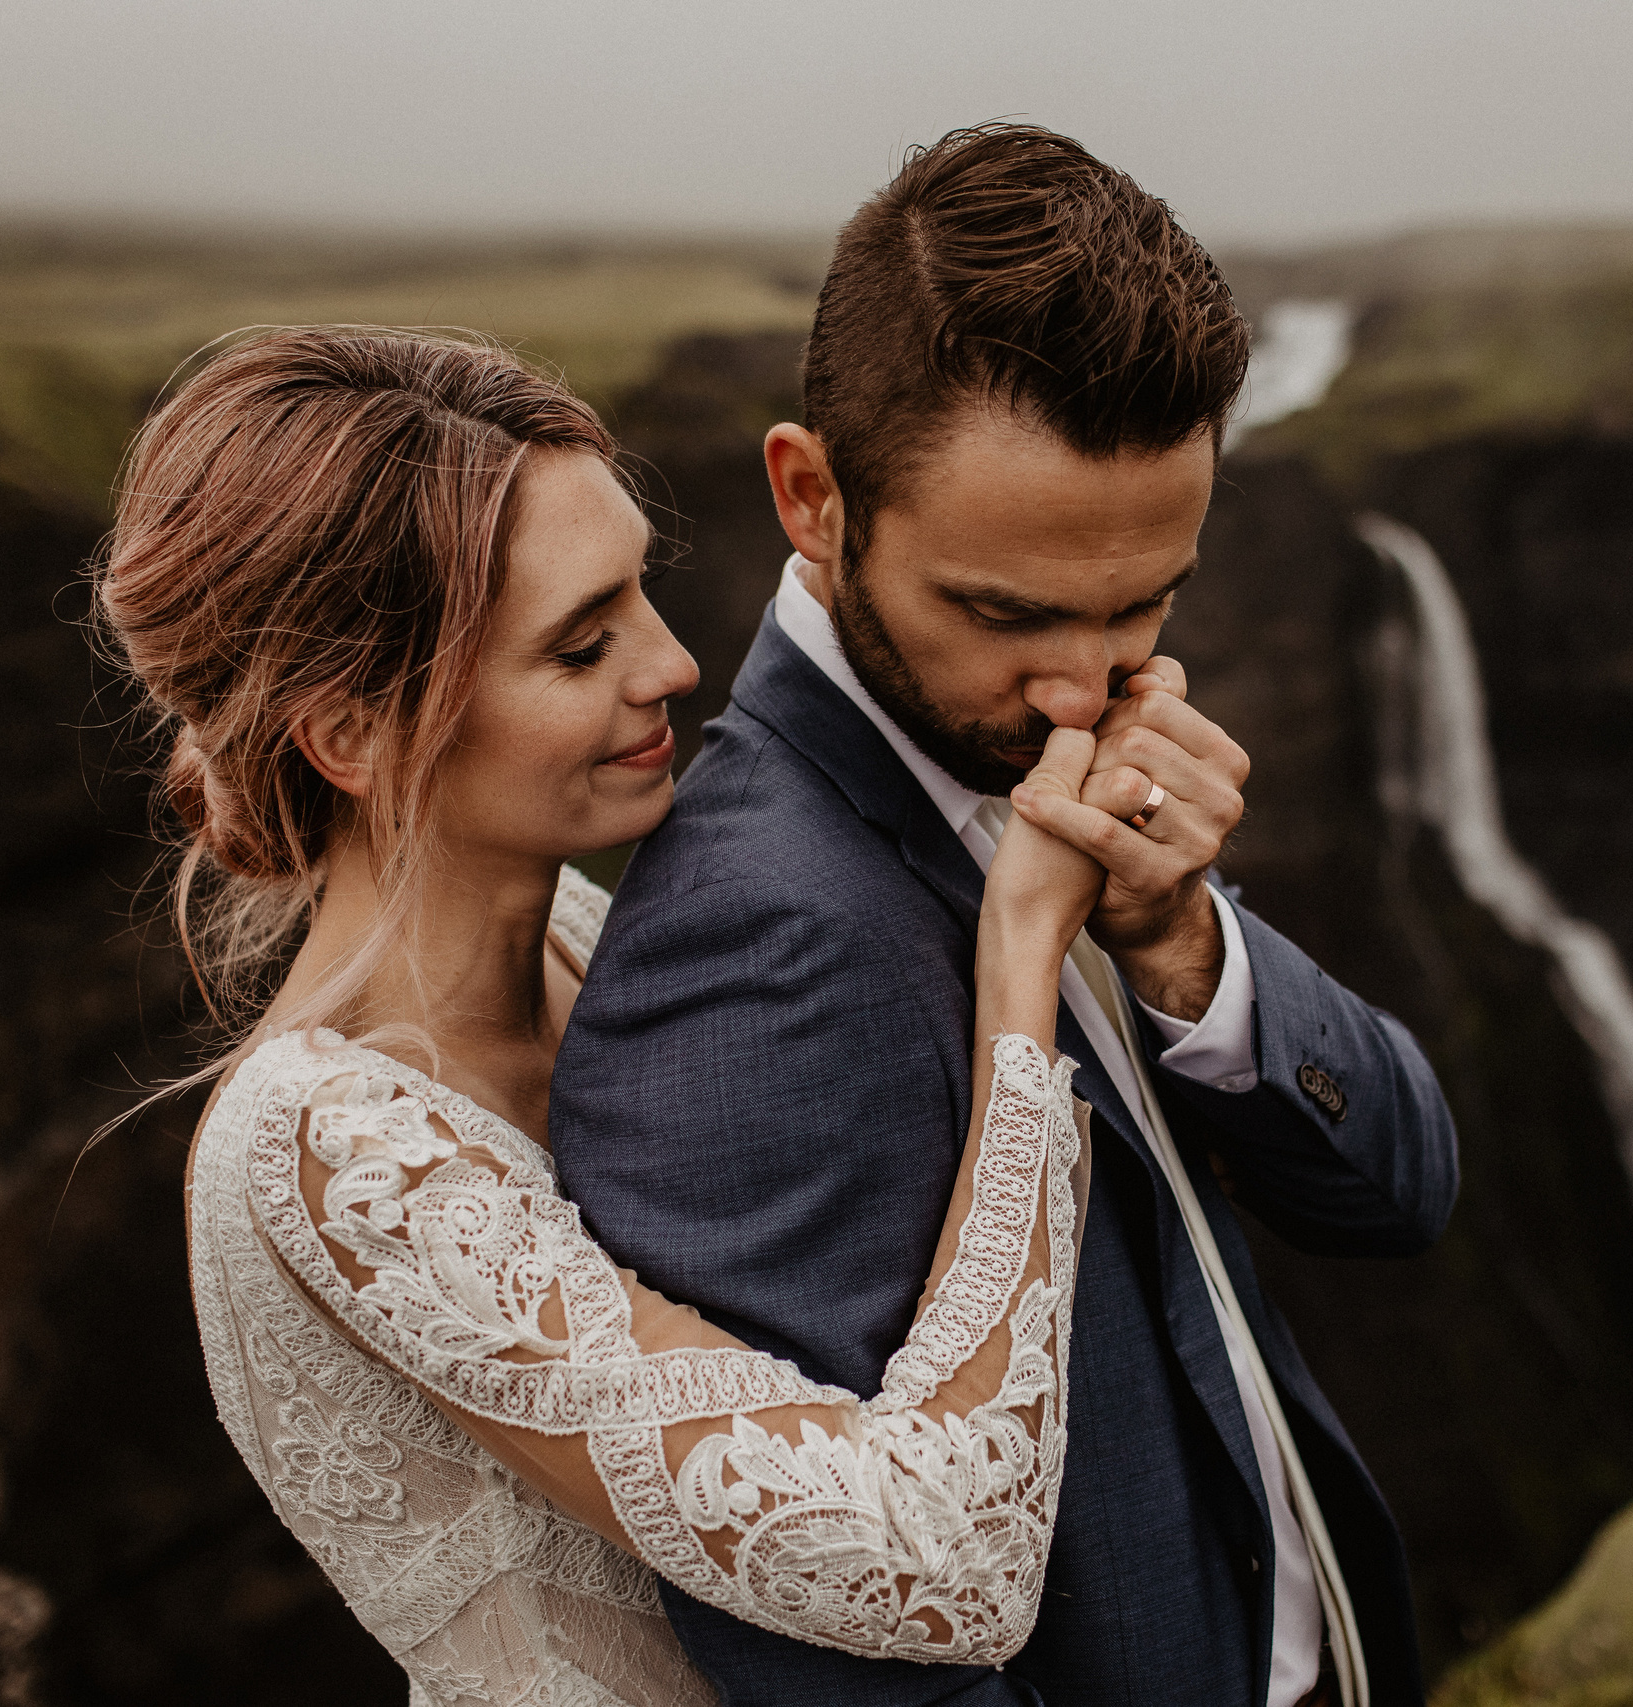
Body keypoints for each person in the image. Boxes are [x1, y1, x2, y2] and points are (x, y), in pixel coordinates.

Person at [552, 124, 1461, 1707]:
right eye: (1003, 611)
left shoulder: (1076, 772)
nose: (1076, 690)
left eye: (1144, 603)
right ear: (812, 496)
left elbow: (1405, 1190)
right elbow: (825, 1639)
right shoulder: (748, 942)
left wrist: (1180, 938)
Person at [98, 326, 1126, 1706]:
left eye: (642, 593)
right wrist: (1018, 972)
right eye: (582, 646)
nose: (672, 665)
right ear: (349, 736)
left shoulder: (591, 947)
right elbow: (940, 1567)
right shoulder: (330, 1150)